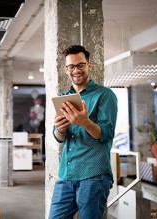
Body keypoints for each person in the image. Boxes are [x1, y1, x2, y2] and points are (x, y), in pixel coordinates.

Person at [49, 45, 118, 219]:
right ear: (66, 70)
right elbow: (58, 138)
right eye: (71, 66)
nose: (76, 70)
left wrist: (85, 122)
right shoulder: (64, 97)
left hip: (93, 174)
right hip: (67, 173)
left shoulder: (104, 95)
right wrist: (60, 129)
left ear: (89, 65)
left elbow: (106, 134)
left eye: (80, 65)